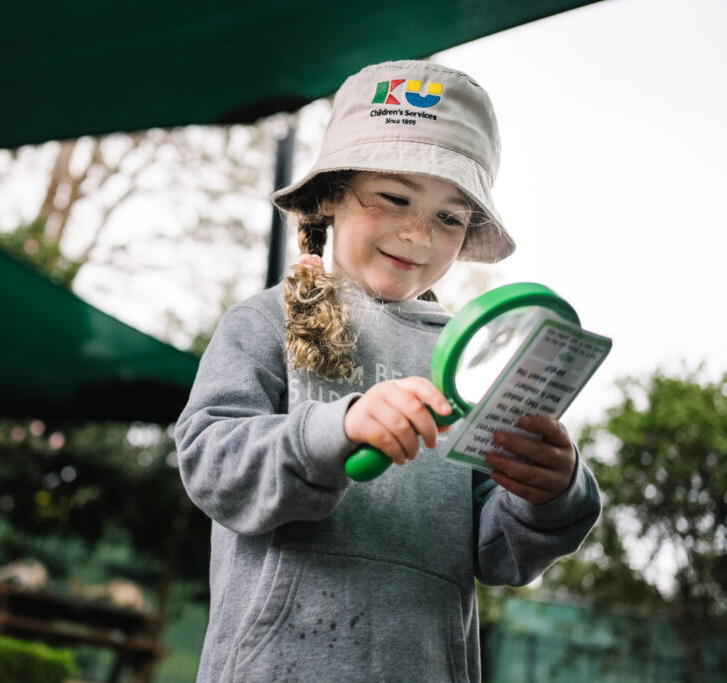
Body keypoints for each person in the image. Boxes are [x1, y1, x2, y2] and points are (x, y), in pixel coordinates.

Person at [174, 61, 601, 682]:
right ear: (329, 198)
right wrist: (335, 430)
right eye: (395, 198)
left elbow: (499, 552)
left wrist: (552, 496)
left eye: (450, 217)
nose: (417, 234)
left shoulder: (475, 360)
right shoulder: (264, 322)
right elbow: (211, 464)